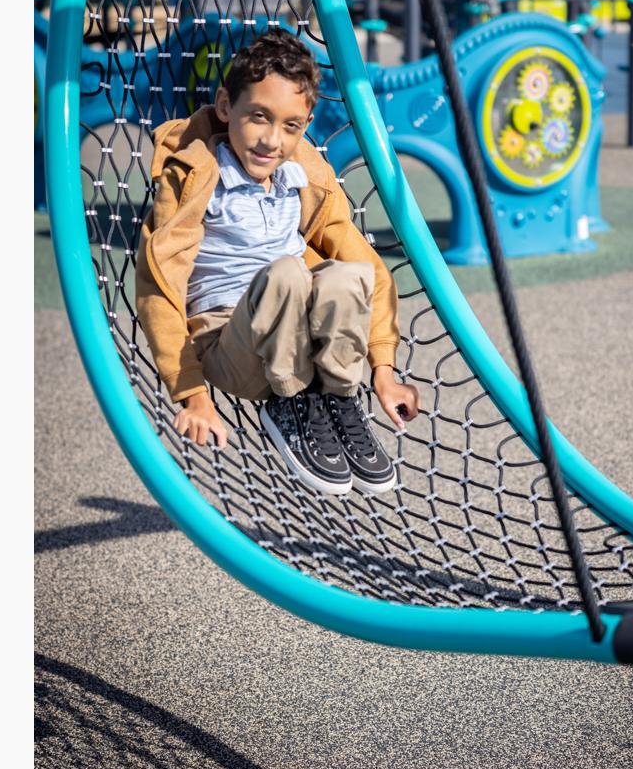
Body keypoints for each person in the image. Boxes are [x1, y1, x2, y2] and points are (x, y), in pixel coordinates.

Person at [135, 29, 421, 494]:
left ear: (305, 125)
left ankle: (341, 396)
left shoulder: (301, 179)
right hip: (231, 344)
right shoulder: (197, 180)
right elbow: (158, 283)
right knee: (289, 273)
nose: (271, 140)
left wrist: (383, 372)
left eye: (290, 126)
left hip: (301, 334)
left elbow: (363, 264)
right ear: (226, 107)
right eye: (259, 118)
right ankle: (289, 402)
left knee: (348, 275)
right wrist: (192, 394)